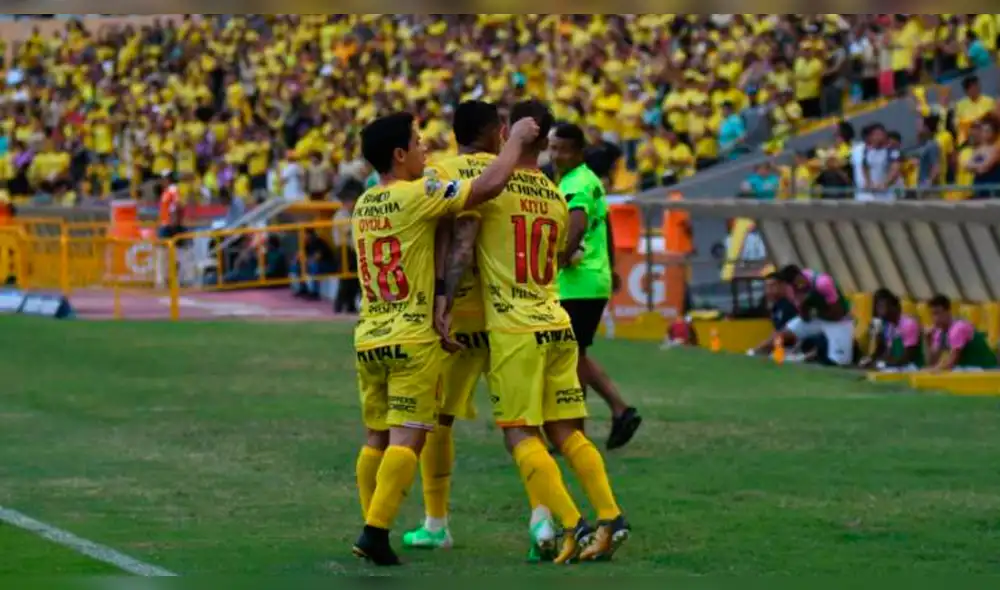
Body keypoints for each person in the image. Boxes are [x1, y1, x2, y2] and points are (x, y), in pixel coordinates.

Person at [436, 100, 631, 565]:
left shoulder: (494, 189)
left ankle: (572, 523)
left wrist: (444, 301)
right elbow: (564, 251)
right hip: (556, 322)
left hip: (515, 328)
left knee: (520, 434)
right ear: (548, 142)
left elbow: (463, 247)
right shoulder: (554, 193)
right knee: (567, 433)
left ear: (510, 133)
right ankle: (610, 517)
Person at [350, 111, 540, 566]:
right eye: (417, 143)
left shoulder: (364, 204)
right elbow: (488, 186)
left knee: (375, 437)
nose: (426, 150)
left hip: (370, 334)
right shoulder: (418, 195)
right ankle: (375, 532)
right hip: (412, 338)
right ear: (399, 155)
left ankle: (374, 521)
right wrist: (514, 142)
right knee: (408, 439)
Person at [401, 101, 503, 551]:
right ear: (496, 132)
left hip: (456, 320)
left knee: (437, 422)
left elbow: (453, 238)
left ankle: (436, 523)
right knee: (528, 428)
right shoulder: (514, 174)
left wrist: (441, 301)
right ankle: (549, 519)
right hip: (508, 316)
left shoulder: (440, 172)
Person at [548, 122, 642, 451]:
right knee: (575, 354)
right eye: (553, 148)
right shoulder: (588, 181)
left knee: (569, 355)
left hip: (578, 283)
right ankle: (614, 414)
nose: (555, 155)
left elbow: (576, 228)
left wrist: (554, 263)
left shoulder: (576, 184)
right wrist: (612, 266)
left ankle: (578, 431)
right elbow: (607, 226)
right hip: (591, 279)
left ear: (578, 152)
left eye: (562, 149)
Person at [773, 265, 855, 367]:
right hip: (817, 318)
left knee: (841, 362)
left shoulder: (822, 283)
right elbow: (805, 318)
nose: (798, 286)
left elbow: (837, 313)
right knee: (781, 334)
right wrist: (802, 304)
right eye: (794, 285)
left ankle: (809, 356)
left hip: (838, 321)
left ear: (801, 275)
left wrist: (815, 310)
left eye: (798, 281)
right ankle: (769, 355)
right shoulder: (792, 290)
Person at [925, 295, 998, 371]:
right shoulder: (939, 333)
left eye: (937, 313)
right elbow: (931, 362)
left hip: (987, 369)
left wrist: (934, 369)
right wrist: (928, 340)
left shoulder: (958, 328)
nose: (935, 318)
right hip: (969, 370)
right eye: (932, 314)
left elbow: (952, 363)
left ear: (948, 312)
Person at [860, 289, 923, 372]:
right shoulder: (888, 326)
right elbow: (884, 351)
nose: (879, 311)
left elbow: (907, 357)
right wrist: (870, 360)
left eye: (881, 306)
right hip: (895, 365)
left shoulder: (909, 324)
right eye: (877, 307)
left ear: (893, 307)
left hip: (911, 366)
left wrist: (882, 364)